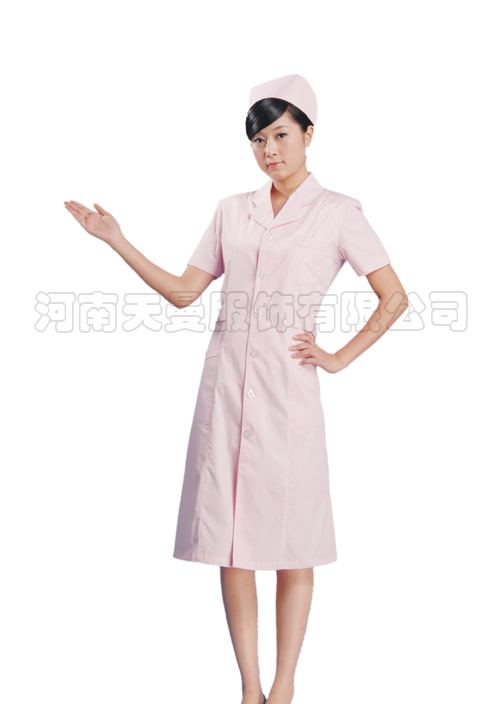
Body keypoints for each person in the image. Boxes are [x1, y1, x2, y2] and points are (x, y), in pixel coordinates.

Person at [64, 73, 408, 704]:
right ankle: (249, 687)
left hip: (288, 394)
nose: (269, 150)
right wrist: (116, 240)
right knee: (232, 542)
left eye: (280, 135)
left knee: (295, 543)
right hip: (225, 392)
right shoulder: (231, 210)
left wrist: (337, 358)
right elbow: (183, 292)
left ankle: (284, 686)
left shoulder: (339, 212)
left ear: (308, 134)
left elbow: (394, 297)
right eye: (257, 140)